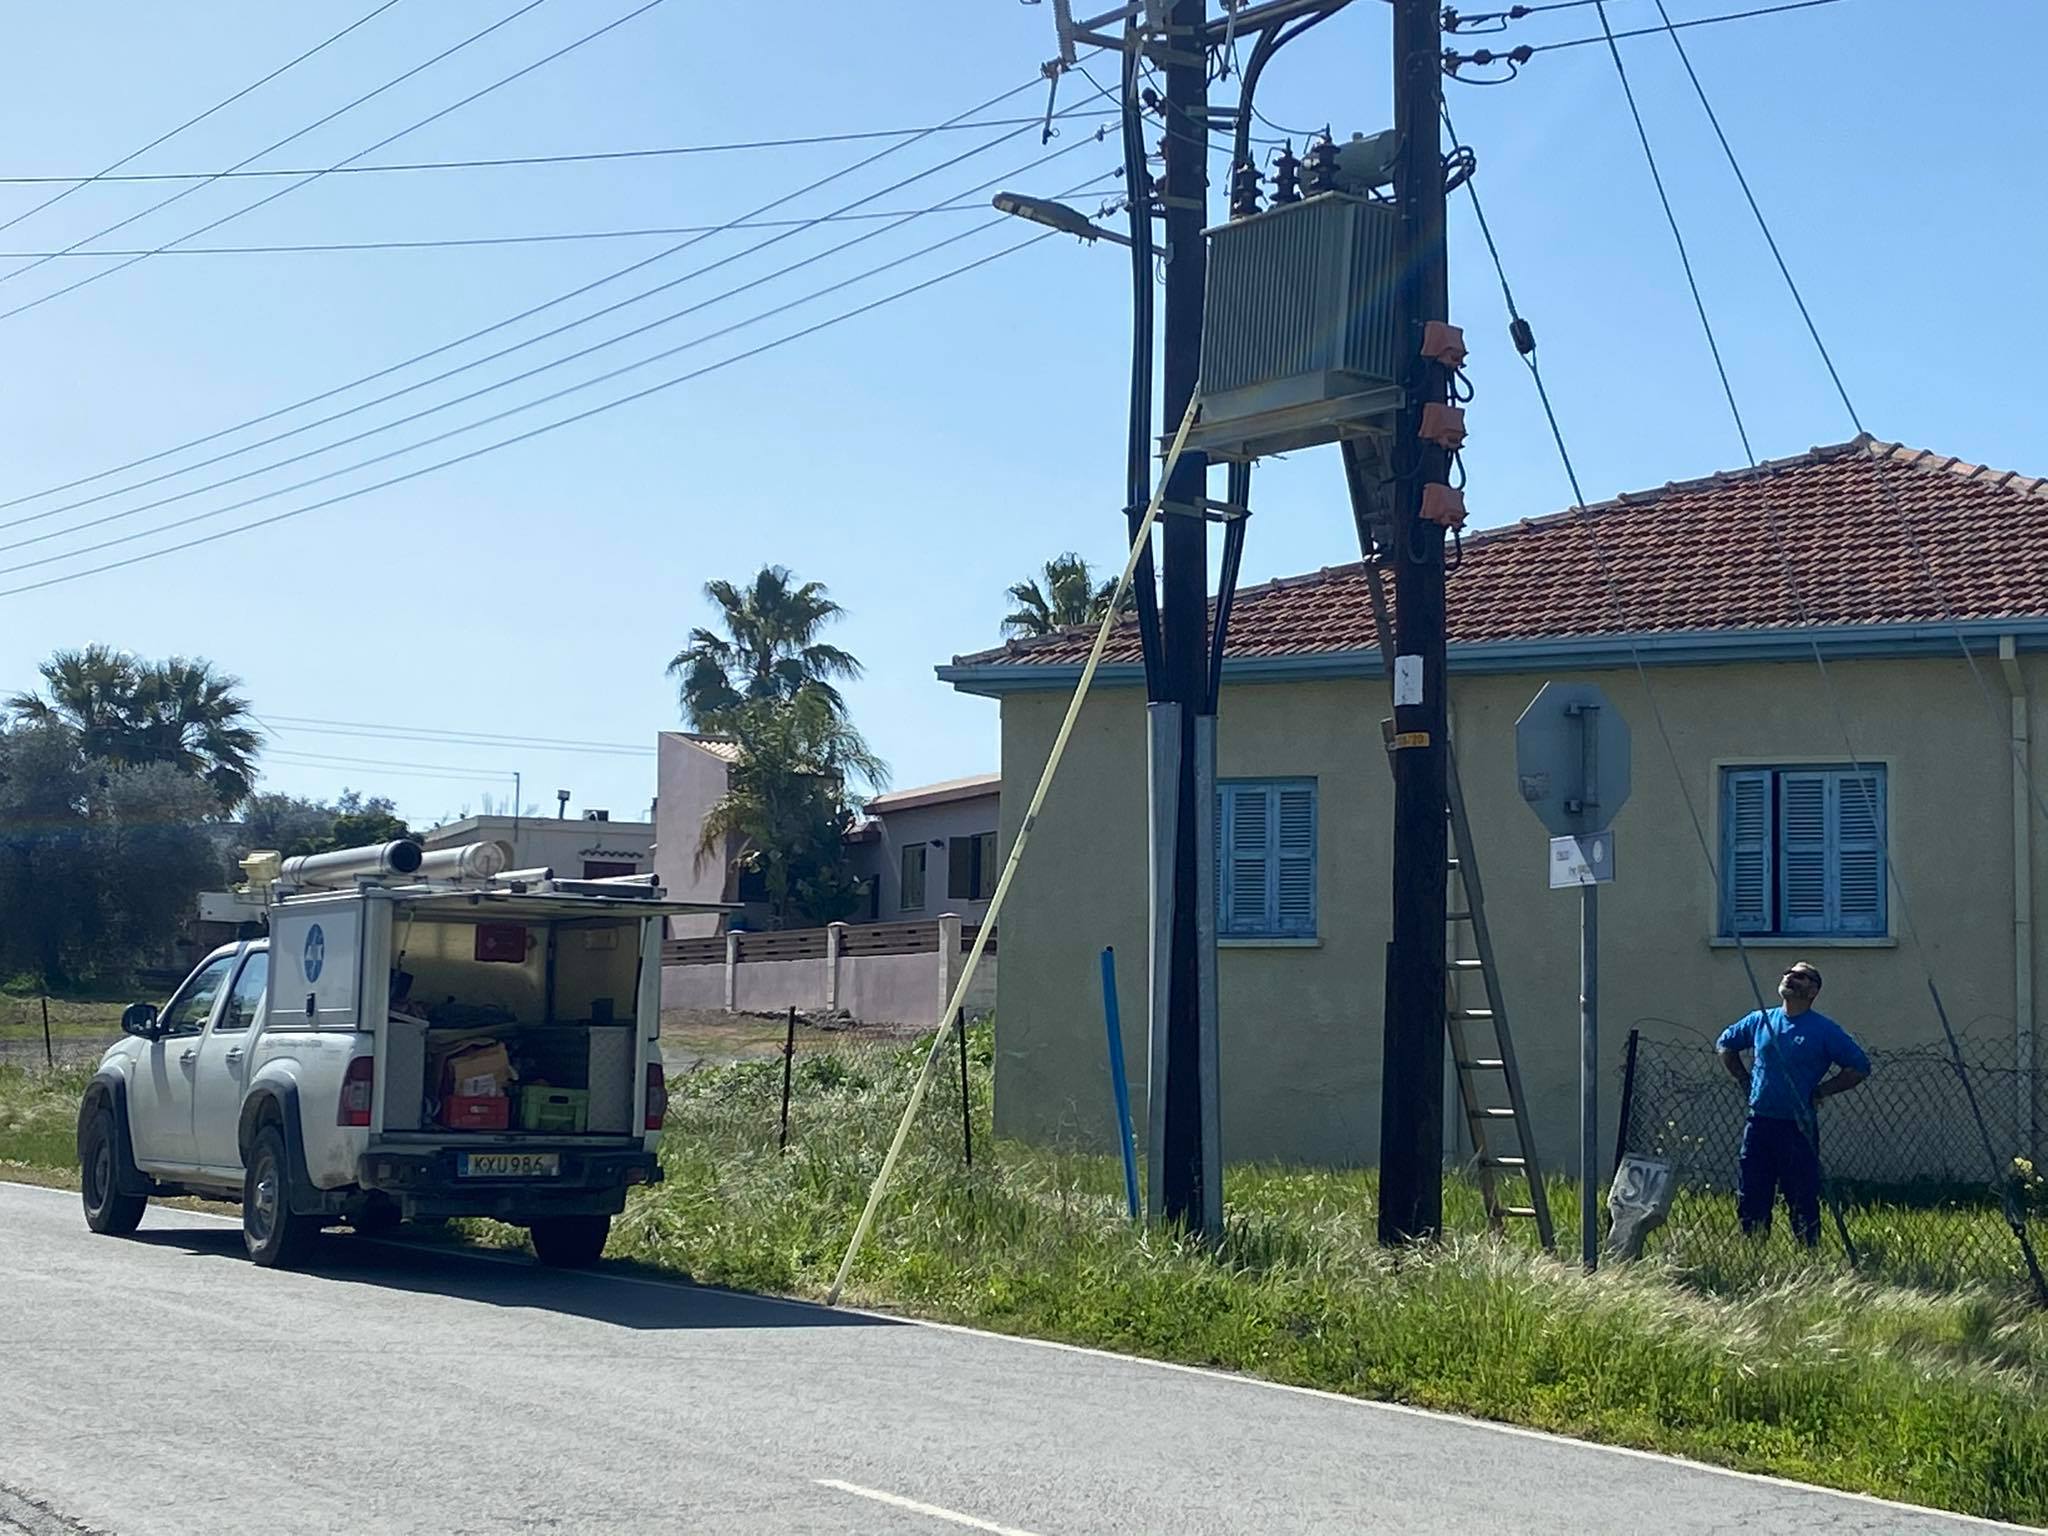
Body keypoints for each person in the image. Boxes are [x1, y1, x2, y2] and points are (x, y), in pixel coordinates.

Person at [1715, 962, 1870, 1245]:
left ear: (1813, 990)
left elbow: (1859, 1067)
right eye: (1787, 972)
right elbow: (1726, 1043)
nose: (1789, 977)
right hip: (1759, 1122)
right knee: (1752, 1192)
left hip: (1798, 1126)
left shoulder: (1823, 1030)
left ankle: (1807, 1252)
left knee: (1800, 1193)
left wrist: (1822, 1091)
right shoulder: (1761, 1019)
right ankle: (1752, 1249)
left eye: (1799, 976)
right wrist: (1742, 1078)